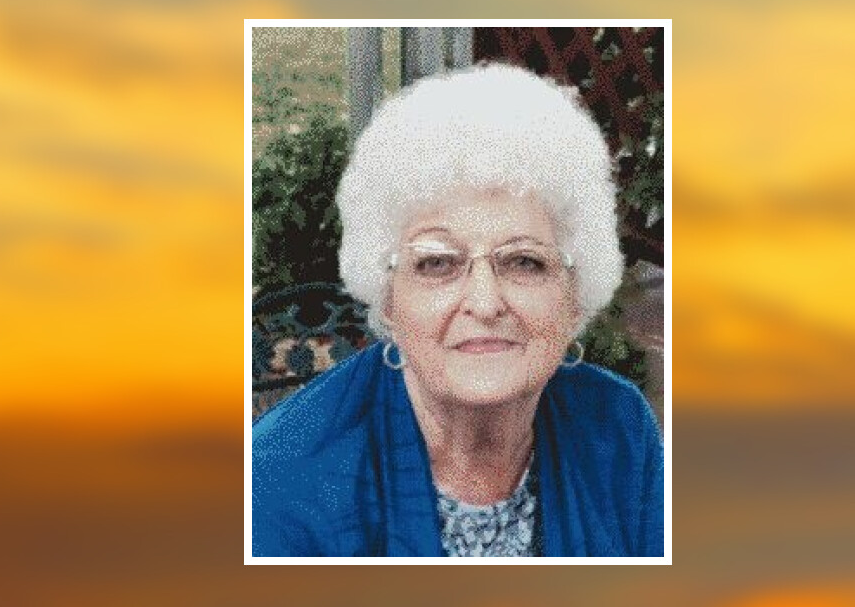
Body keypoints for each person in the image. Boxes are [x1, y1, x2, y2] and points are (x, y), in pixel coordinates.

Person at [252, 63, 663, 557]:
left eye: (525, 261)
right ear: (388, 298)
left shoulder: (618, 428)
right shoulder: (279, 484)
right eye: (437, 263)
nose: (485, 303)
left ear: (575, 295)